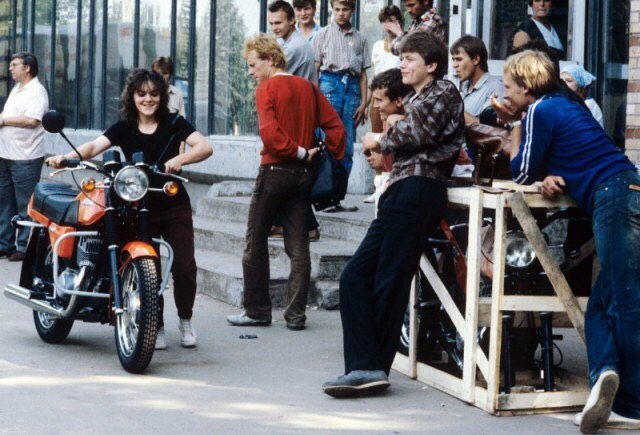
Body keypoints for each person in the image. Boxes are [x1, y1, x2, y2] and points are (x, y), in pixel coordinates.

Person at [493, 49, 640, 433]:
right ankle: (606, 375)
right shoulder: (566, 105)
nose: (505, 94)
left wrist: (516, 129)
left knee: (625, 303)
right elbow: (574, 154)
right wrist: (554, 172)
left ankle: (633, 404)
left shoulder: (540, 110)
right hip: (627, 189)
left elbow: (522, 170)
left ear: (526, 86)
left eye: (508, 87)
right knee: (602, 304)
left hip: (615, 197)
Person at [322, 31, 465, 398]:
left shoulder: (444, 91)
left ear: (431, 66)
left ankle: (371, 368)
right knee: (355, 277)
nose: (402, 64)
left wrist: (378, 140)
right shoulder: (418, 97)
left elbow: (417, 132)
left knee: (390, 279)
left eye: (410, 60)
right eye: (401, 58)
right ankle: (363, 365)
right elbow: (409, 129)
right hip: (399, 192)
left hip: (419, 189)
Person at [47, 69, 213, 350]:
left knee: (185, 267)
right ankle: (154, 325)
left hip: (172, 204)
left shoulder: (174, 123)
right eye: (142, 94)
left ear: (161, 97)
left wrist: (181, 158)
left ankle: (185, 320)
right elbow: (94, 146)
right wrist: (66, 157)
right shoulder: (124, 126)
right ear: (132, 96)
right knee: (149, 269)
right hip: (136, 204)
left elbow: (205, 146)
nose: (148, 99)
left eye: (154, 94)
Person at [226, 35, 346, 331]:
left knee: (255, 243)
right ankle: (295, 315)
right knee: (299, 247)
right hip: (304, 176)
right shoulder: (308, 87)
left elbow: (270, 135)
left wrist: (299, 151)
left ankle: (257, 311)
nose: (251, 71)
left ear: (270, 60)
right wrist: (322, 154)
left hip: (275, 170)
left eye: (253, 65)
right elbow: (337, 128)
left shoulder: (267, 88)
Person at [313, 0, 369, 212]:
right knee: (327, 142)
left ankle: (337, 197)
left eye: (345, 9)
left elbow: (363, 73)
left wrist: (364, 102)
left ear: (352, 11)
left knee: (346, 145)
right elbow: (315, 70)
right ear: (332, 9)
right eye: (337, 9)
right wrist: (317, 99)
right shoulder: (322, 35)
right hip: (329, 84)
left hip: (352, 87)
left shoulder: (360, 38)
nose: (341, 14)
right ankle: (323, 196)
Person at [0, 52, 49, 262]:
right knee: (5, 202)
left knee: (24, 203)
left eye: (14, 65)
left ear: (27, 68)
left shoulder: (36, 91)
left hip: (25, 156)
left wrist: (4, 120)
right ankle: (5, 244)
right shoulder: (17, 89)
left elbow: (32, 120)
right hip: (6, 154)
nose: (10, 68)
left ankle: (23, 246)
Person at [365, 68, 412, 206]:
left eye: (379, 100)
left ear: (398, 101)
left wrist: (382, 156)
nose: (375, 106)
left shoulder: (398, 119)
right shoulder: (389, 118)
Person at [450, 35, 503, 124]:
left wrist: (453, 107)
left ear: (475, 59)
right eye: (453, 60)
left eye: (459, 59)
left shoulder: (495, 88)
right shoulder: (464, 86)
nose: (454, 65)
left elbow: (488, 129)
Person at [268, 0, 317, 83]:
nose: (273, 28)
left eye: (278, 23)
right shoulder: (283, 40)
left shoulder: (294, 47)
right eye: (271, 24)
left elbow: (270, 75)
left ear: (291, 20)